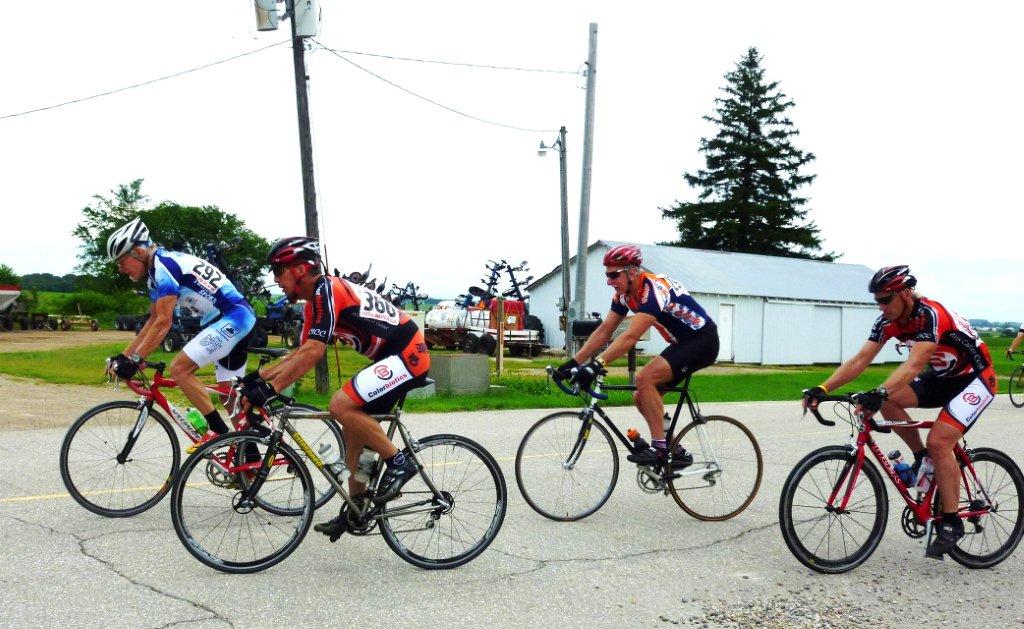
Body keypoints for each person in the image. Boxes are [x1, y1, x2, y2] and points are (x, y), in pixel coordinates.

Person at [802, 265, 998, 559]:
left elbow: (914, 365)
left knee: (940, 441)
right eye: (878, 301)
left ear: (906, 294)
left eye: (886, 299)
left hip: (976, 378)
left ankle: (952, 521)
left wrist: (880, 390)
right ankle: (921, 459)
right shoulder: (886, 321)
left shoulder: (930, 314)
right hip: (943, 378)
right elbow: (860, 360)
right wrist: (823, 387)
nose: (881, 306)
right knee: (888, 402)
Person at [238, 236, 429, 537]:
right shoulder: (311, 305)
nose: (275, 280)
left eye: (278, 270)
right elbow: (301, 353)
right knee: (352, 431)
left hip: (407, 354)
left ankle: (400, 462)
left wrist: (270, 391)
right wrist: (260, 378)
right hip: (389, 356)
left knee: (339, 405)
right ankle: (358, 508)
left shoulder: (326, 289)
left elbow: (314, 352)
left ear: (300, 269)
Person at [556, 244, 719, 467]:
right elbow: (604, 331)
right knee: (641, 396)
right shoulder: (624, 296)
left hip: (703, 340)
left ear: (632, 272)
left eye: (614, 275)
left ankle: (659, 450)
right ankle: (675, 451)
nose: (609, 281)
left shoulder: (653, 290)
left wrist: (597, 364)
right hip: (684, 343)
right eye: (607, 275)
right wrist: (574, 362)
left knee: (645, 378)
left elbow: (631, 337)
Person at [105, 218, 256, 448]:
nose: (120, 268)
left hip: (233, 317)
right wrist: (126, 356)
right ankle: (250, 456)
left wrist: (136, 361)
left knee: (180, 369)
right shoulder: (157, 270)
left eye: (121, 261)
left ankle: (221, 437)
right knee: (228, 396)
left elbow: (164, 323)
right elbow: (153, 319)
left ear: (137, 251)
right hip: (231, 319)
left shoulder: (164, 266)